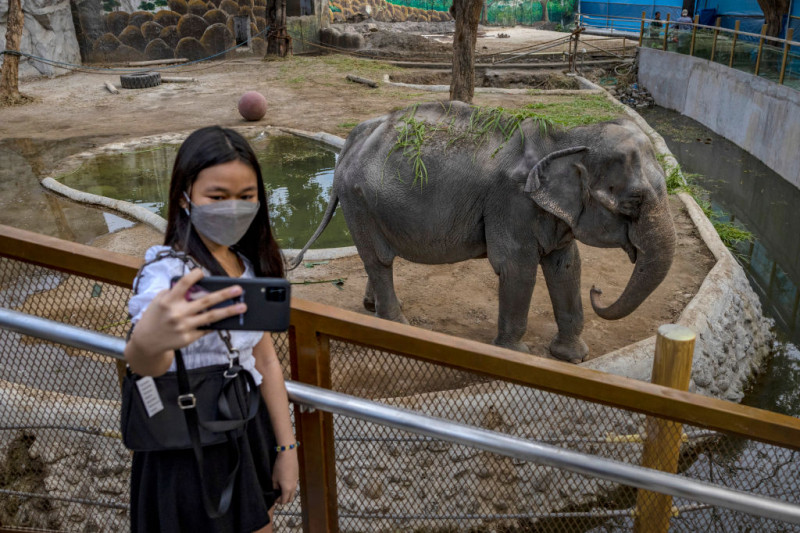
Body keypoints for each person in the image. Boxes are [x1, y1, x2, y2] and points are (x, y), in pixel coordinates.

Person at [124, 126, 299, 533]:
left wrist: (287, 448)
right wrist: (149, 340)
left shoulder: (247, 266)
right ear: (185, 196)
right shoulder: (165, 273)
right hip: (185, 443)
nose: (232, 208)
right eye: (217, 197)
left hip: (245, 425)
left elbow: (267, 361)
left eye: (245, 196)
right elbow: (145, 358)